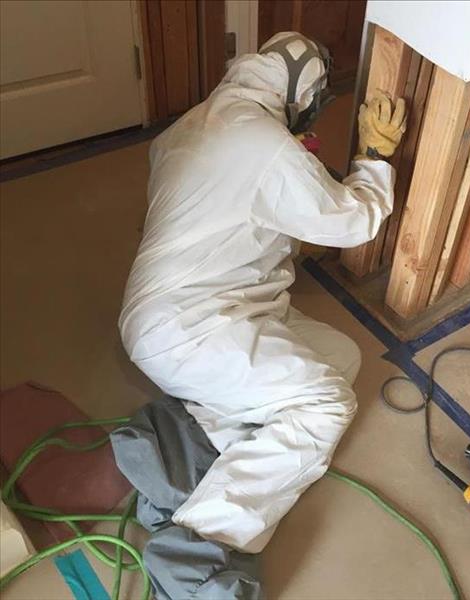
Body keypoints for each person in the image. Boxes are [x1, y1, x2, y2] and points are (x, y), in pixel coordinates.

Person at [118, 32, 406, 554]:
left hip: (184, 310)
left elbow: (231, 210)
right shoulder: (264, 143)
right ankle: (199, 543)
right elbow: (351, 223)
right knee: (327, 404)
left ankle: (201, 445)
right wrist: (374, 157)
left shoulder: (191, 125)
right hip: (191, 329)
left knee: (341, 356)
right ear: (305, 98)